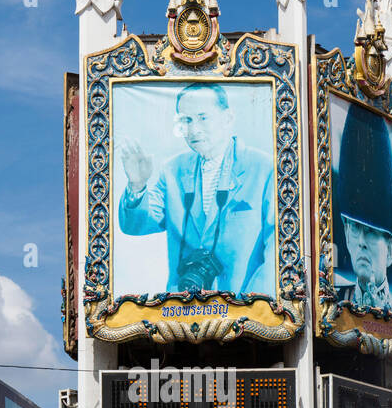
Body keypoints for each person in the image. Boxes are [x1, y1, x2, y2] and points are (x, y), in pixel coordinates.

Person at [117, 83, 275, 295]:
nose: (193, 129)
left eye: (203, 117)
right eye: (186, 120)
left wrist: (255, 308)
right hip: (183, 311)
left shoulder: (263, 168)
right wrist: (137, 186)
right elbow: (135, 226)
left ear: (228, 118)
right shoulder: (173, 170)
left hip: (245, 314)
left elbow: (278, 251)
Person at [332, 99, 392, 315]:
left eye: (372, 232)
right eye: (355, 228)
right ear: (346, 233)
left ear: (390, 249)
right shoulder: (331, 300)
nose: (362, 242)